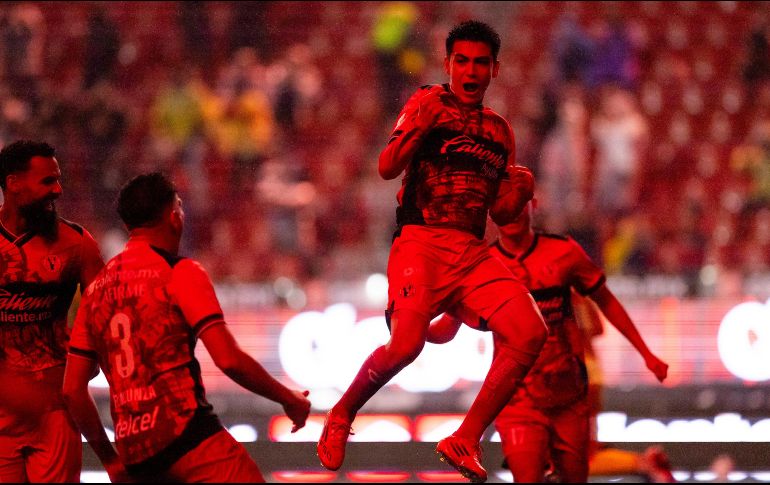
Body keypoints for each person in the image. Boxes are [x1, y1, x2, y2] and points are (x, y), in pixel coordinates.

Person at [317, 20, 548, 483]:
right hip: (420, 241)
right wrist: (415, 131)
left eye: (480, 62)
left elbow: (499, 215)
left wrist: (521, 191)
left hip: (470, 249)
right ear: (447, 64)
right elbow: (387, 168)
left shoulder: (500, 132)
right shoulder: (427, 102)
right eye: (461, 60)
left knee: (530, 332)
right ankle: (341, 413)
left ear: (495, 69)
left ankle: (465, 437)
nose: (470, 70)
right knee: (406, 345)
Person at [62, 172, 311, 482]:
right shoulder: (180, 272)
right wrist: (288, 398)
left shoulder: (96, 291)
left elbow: (72, 390)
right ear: (173, 215)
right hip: (187, 434)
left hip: (135, 452)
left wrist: (111, 461)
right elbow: (228, 359)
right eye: (179, 206)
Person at [427, 198, 669, 483]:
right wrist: (410, 326)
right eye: (504, 205)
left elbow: (604, 303)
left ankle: (642, 463)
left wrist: (645, 353)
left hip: (569, 392)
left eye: (518, 203)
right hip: (519, 400)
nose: (512, 211)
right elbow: (447, 327)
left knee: (580, 467)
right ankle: (643, 463)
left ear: (533, 205)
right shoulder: (482, 266)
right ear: (491, 212)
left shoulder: (563, 253)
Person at [0, 140, 105, 482]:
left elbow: (108, 316)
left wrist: (88, 361)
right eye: (47, 181)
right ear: (13, 183)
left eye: (58, 180)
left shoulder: (76, 243)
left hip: (54, 411)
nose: (57, 191)